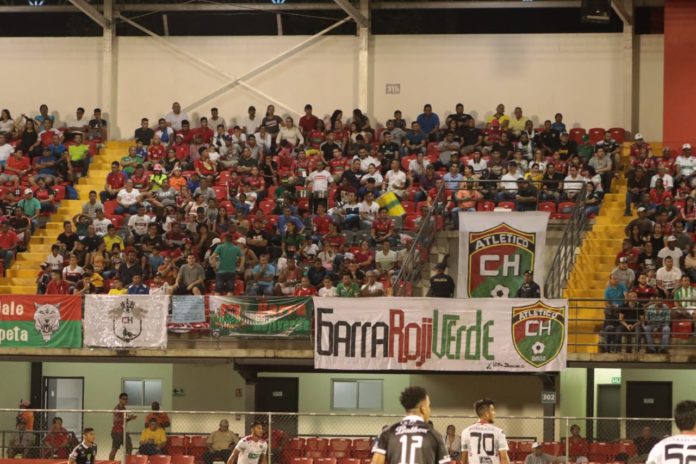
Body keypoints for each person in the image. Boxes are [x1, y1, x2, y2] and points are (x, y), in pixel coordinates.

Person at [371, 386, 449, 464]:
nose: (429, 410)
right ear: (423, 409)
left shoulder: (387, 432)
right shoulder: (435, 435)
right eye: (428, 406)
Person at [461, 399, 509, 464]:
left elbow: (464, 460)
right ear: (486, 414)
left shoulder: (466, 432)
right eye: (492, 410)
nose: (494, 413)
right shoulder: (499, 432)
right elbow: (504, 458)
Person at [109, 392, 137, 460]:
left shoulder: (124, 408)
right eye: (124, 399)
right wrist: (129, 417)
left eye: (126, 399)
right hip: (117, 432)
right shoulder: (117, 408)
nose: (126, 400)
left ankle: (127, 461)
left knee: (129, 447)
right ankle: (110, 462)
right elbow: (116, 419)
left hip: (123, 431)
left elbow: (124, 420)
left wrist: (130, 418)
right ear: (120, 399)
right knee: (115, 448)